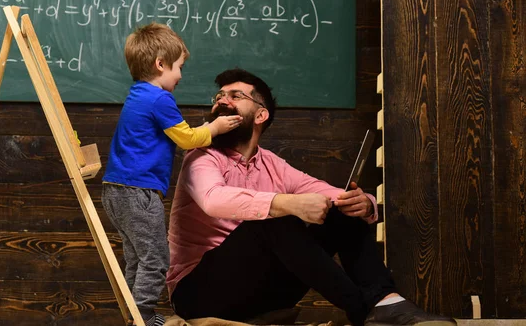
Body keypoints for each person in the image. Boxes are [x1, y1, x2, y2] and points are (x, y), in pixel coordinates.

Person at [166, 68, 457, 326]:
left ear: (261, 114)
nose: (221, 100)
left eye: (235, 95)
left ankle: (386, 302)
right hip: (198, 293)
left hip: (260, 293)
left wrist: (364, 203)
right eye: (219, 96)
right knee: (274, 218)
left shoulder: (272, 164)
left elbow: (325, 191)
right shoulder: (201, 156)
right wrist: (286, 203)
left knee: (342, 211)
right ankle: (364, 311)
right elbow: (213, 199)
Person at [102, 23, 242, 326]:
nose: (180, 75)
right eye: (178, 67)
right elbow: (187, 138)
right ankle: (143, 317)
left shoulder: (138, 94)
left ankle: (133, 314)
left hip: (114, 191)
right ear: (160, 64)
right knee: (156, 258)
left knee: (139, 257)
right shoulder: (159, 99)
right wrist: (214, 128)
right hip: (137, 191)